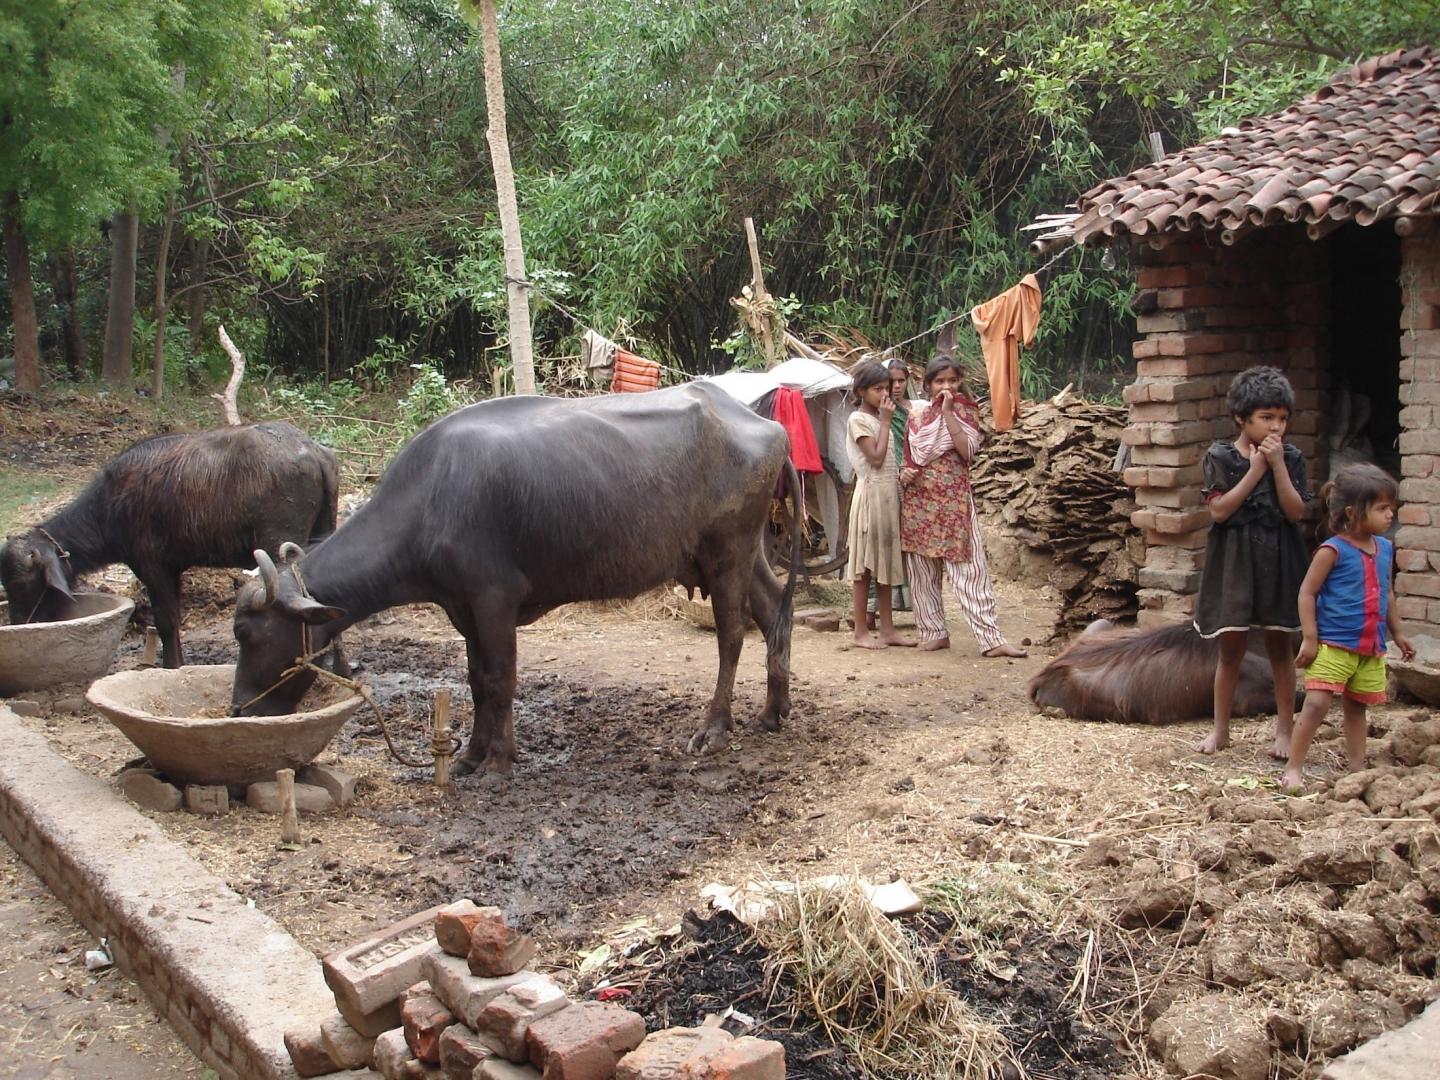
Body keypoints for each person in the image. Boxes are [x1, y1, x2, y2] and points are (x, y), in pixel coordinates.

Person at [1192, 366, 1309, 756]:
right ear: (1241, 419)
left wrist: (1276, 467)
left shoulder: (1291, 459)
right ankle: (1221, 729)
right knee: (1231, 650)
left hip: (1278, 559)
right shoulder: (1220, 457)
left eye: (1282, 418)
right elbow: (1221, 511)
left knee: (1280, 647)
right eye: (1266, 418)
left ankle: (1284, 732)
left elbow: (1295, 511)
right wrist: (1257, 466)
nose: (1276, 427)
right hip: (1235, 563)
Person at [1281, 465, 1414, 791]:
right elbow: (1307, 593)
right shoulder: (1332, 551)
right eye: (1382, 508)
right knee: (1315, 705)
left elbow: (1388, 592)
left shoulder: (1384, 548)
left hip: (1369, 646)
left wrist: (1397, 633)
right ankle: (1293, 767)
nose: (1390, 515)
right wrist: (1310, 638)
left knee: (1357, 707)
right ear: (1353, 513)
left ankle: (1356, 768)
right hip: (1334, 643)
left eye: (1391, 508)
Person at [899, 353, 1026, 658]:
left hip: (954, 500)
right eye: (940, 381)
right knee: (922, 570)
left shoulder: (967, 412)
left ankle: (991, 639)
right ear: (927, 385)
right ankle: (933, 632)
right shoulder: (916, 417)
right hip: (919, 501)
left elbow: (967, 451)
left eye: (952, 380)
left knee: (969, 570)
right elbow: (912, 455)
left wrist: (947, 414)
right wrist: (906, 472)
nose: (947, 386)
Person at [845, 361, 913, 649]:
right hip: (870, 497)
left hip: (888, 497)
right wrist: (885, 421)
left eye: (886, 388)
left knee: (886, 562)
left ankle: (888, 629)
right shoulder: (858, 420)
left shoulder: (882, 417)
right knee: (865, 567)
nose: (884, 394)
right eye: (877, 389)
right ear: (861, 391)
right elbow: (875, 457)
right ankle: (861, 630)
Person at [867, 359, 913, 626]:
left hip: (905, 486)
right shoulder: (873, 416)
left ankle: (896, 607)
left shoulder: (911, 413)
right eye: (890, 382)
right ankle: (869, 611)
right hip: (880, 485)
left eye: (901, 381)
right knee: (876, 548)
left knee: (898, 546)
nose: (896, 387)